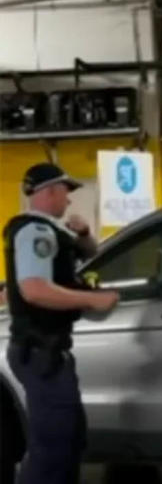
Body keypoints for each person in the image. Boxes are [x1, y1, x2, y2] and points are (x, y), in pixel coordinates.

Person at [3, 162, 119, 484]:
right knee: (52, 450)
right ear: (51, 191)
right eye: (66, 193)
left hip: (48, 351)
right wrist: (92, 300)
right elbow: (35, 290)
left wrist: (83, 235)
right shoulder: (35, 232)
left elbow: (88, 257)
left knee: (68, 442)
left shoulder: (53, 232)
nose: (68, 201)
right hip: (41, 351)